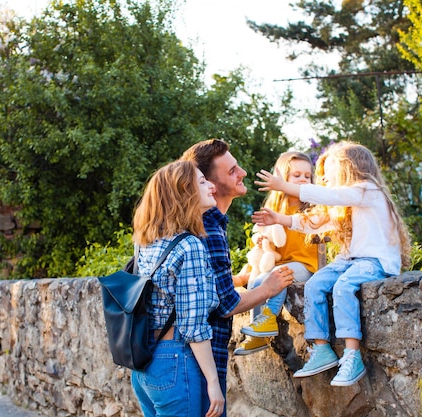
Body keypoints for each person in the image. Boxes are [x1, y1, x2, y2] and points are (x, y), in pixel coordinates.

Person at [253, 141, 411, 386]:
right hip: (350, 260)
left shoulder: (368, 190)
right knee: (316, 284)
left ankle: (352, 354)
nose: (325, 178)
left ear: (349, 168)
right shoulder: (347, 203)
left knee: (343, 287)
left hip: (375, 261)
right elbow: (313, 222)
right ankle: (322, 348)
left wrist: (283, 185)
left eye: (330, 172)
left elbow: (331, 195)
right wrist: (279, 218)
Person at [181, 139, 294, 416]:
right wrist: (269, 288)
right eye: (232, 171)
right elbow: (225, 305)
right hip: (194, 365)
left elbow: (202, 285)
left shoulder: (202, 221)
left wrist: (241, 279)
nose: (242, 172)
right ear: (209, 183)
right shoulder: (208, 226)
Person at [130, 160, 224, 417]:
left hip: (144, 362)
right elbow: (193, 326)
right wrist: (213, 383)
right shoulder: (189, 246)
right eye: (202, 181)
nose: (211, 186)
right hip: (174, 359)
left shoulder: (146, 241)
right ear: (185, 191)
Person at [234, 151, 319, 356]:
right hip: (282, 263)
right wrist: (264, 242)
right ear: (282, 179)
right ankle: (257, 334)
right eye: (296, 175)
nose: (302, 180)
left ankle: (268, 317)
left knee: (278, 274)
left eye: (307, 176)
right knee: (258, 282)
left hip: (307, 266)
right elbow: (269, 245)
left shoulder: (313, 205)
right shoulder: (274, 207)